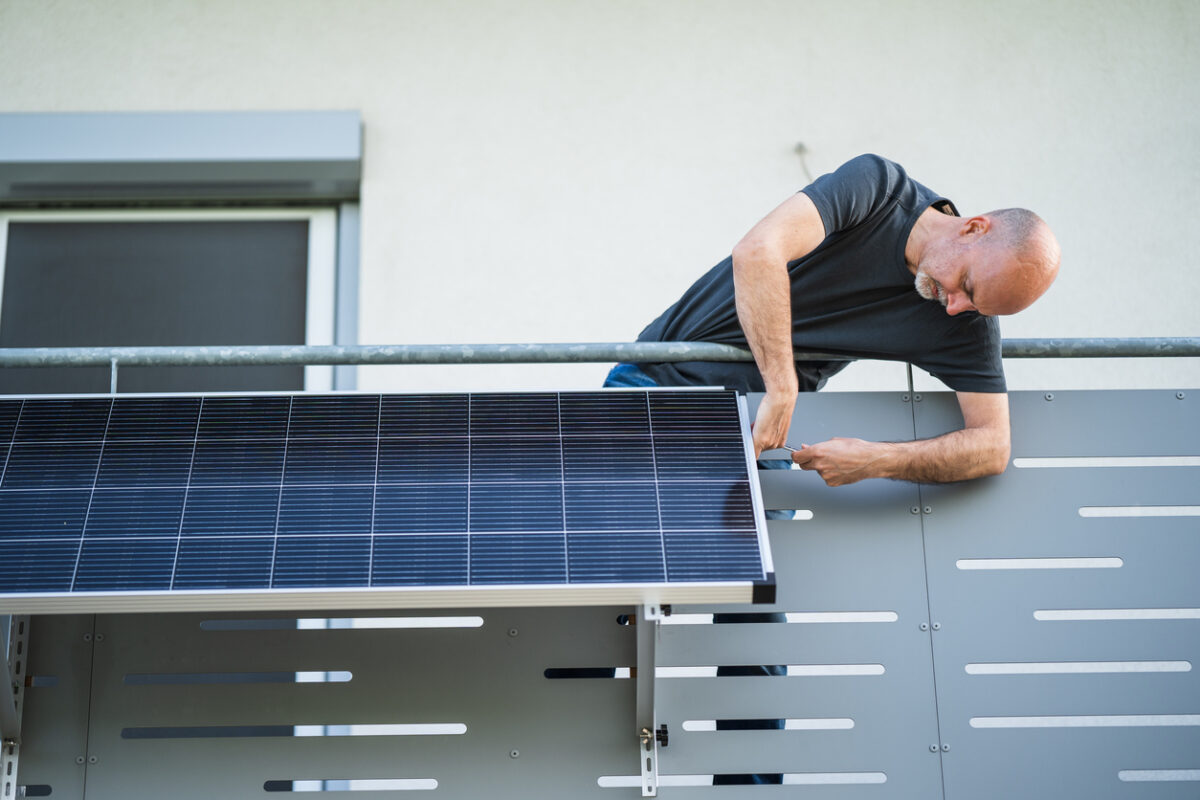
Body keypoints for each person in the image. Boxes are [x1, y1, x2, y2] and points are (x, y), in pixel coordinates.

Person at [609, 153, 1061, 486]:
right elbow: (758, 251)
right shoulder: (879, 188)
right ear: (972, 228)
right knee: (611, 569)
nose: (958, 307)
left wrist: (878, 459)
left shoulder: (964, 320)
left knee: (755, 602)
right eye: (969, 286)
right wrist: (782, 390)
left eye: (979, 309)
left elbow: (992, 446)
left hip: (758, 434)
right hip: (656, 385)